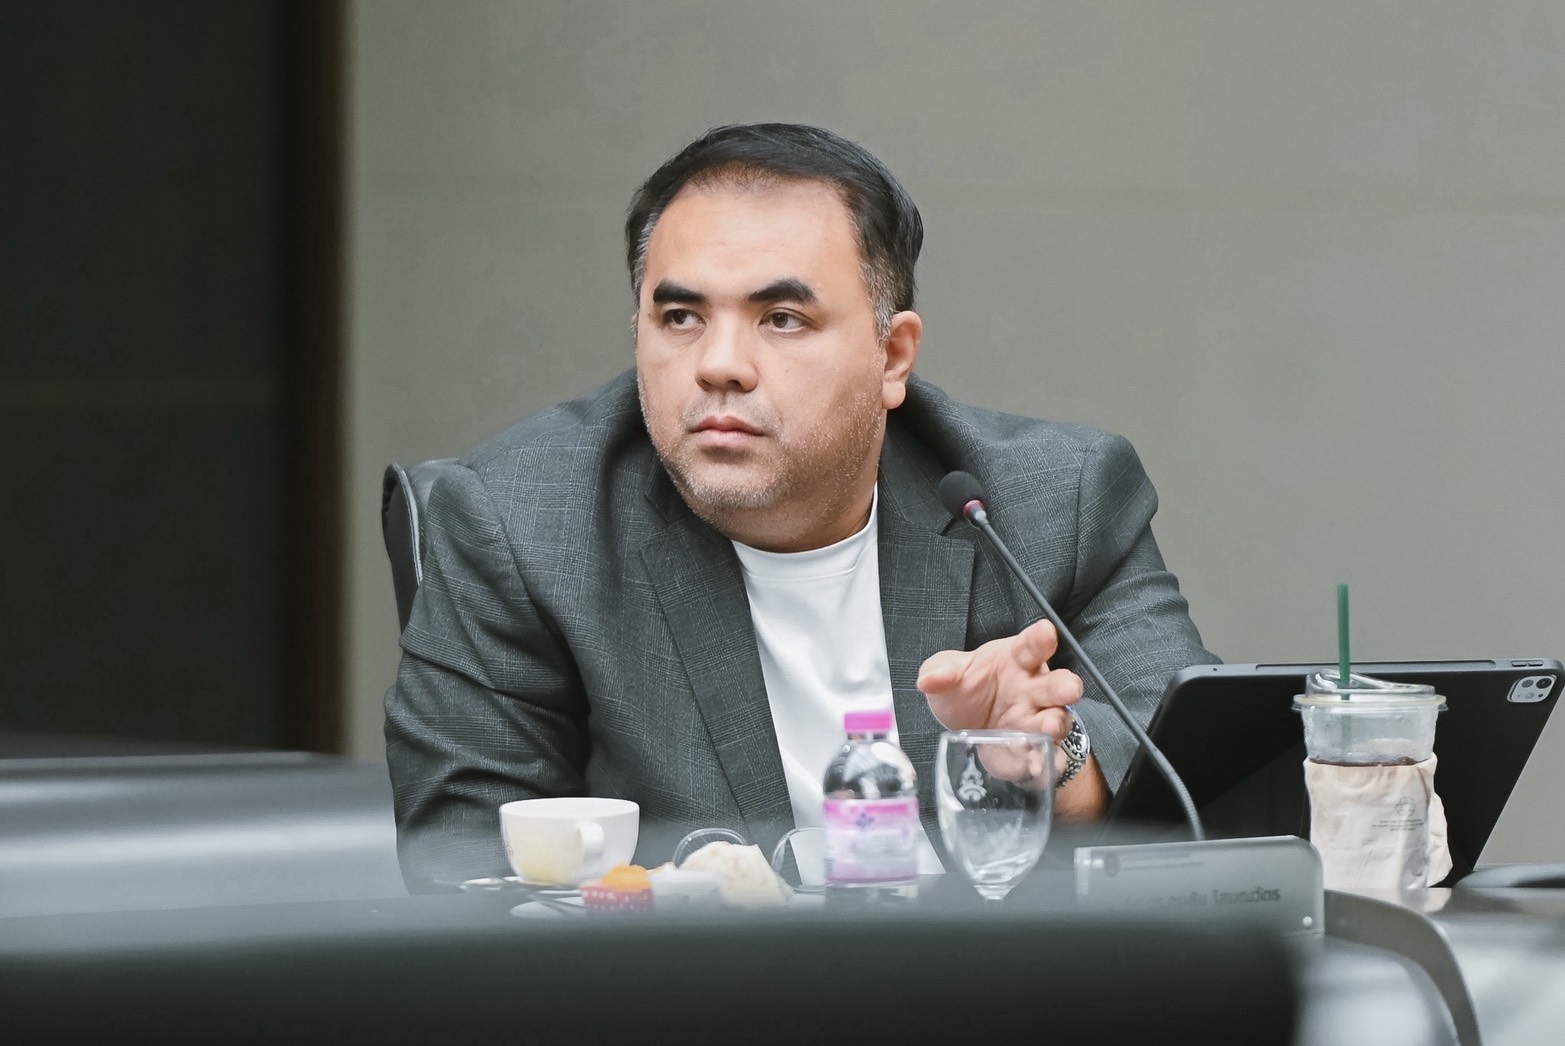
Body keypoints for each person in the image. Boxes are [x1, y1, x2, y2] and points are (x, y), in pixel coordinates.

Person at [384, 123, 1215, 892]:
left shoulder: (1051, 501)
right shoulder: (519, 523)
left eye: (781, 319)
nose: (719, 364)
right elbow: (463, 875)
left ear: (892, 356)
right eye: (680, 316)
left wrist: (1043, 761)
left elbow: (1197, 794)